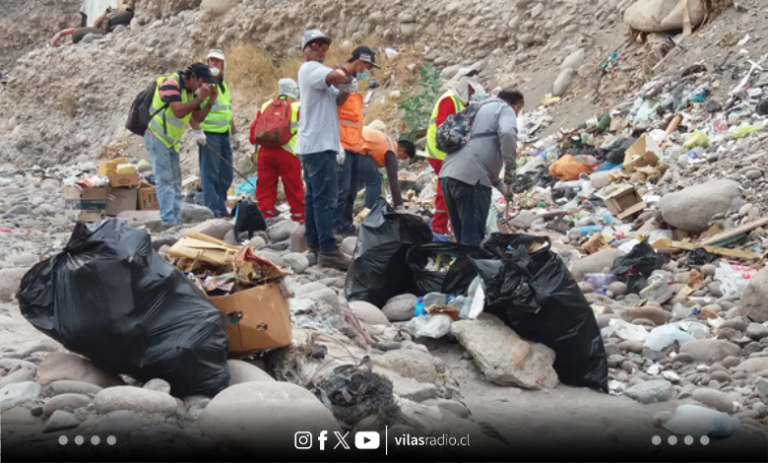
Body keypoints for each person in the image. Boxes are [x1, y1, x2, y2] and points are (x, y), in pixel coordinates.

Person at [295, 30, 356, 270]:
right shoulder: (312, 69)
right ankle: (329, 249)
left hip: (313, 145)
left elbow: (336, 98)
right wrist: (349, 69)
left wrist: (346, 85)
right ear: (305, 49)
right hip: (319, 146)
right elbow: (336, 77)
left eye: (323, 45)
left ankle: (315, 244)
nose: (320, 48)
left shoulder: (316, 73)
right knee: (325, 199)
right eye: (314, 44)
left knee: (313, 197)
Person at [439, 89, 524, 246]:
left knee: (462, 236)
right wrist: (511, 168)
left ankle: (462, 268)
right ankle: (473, 269)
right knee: (472, 239)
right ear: (516, 105)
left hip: (448, 175)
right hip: (471, 180)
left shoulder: (477, 109)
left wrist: (505, 189)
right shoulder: (504, 109)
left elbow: (483, 163)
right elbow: (507, 133)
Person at [144, 63, 219, 227]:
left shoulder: (191, 92)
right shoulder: (171, 84)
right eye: (202, 82)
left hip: (171, 141)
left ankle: (175, 219)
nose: (204, 86)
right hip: (157, 137)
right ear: (193, 78)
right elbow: (178, 111)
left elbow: (197, 118)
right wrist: (200, 98)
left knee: (176, 181)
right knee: (164, 180)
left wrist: (210, 101)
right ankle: (168, 220)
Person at [425, 70, 483, 238]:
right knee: (447, 189)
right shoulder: (450, 100)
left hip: (446, 152)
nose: (472, 92)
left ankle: (445, 225)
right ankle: (439, 228)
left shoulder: (459, 101)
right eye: (470, 89)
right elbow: (447, 131)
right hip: (440, 153)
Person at [333, 46, 380, 236]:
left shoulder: (351, 82)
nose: (366, 71)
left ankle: (345, 225)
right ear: (359, 61)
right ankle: (336, 226)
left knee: (351, 190)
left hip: (353, 146)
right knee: (341, 190)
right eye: (367, 66)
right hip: (341, 144)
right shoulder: (338, 78)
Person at [249, 78, 305, 223]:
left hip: (265, 152)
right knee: (294, 187)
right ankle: (298, 218)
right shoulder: (298, 106)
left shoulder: (266, 105)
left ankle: (265, 216)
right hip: (288, 153)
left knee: (265, 187)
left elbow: (253, 132)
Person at [191, 48, 235, 218]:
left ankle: (221, 205)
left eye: (217, 61)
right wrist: (197, 132)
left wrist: (234, 130)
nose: (213, 63)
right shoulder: (204, 85)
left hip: (224, 134)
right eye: (211, 60)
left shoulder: (223, 85)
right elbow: (193, 110)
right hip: (209, 134)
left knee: (225, 174)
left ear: (223, 64)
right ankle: (213, 210)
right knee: (210, 174)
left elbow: (227, 109)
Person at [360, 125, 416, 211]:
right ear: (401, 149)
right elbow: (393, 182)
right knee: (374, 180)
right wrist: (400, 206)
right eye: (404, 157)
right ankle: (368, 213)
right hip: (360, 148)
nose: (400, 159)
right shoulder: (391, 151)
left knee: (355, 182)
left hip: (352, 144)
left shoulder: (387, 144)